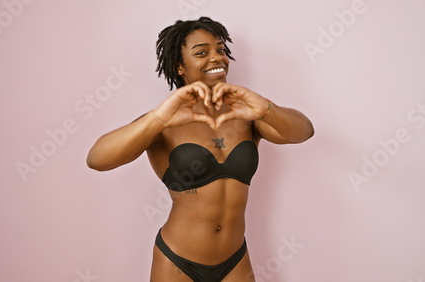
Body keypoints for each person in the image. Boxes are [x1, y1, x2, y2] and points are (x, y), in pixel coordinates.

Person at [87, 17, 314, 282]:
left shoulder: (246, 114)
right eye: (202, 53)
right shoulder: (163, 122)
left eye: (220, 50)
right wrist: (157, 119)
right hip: (177, 261)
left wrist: (266, 108)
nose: (217, 58)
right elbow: (97, 159)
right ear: (179, 66)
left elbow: (304, 132)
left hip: (235, 260)